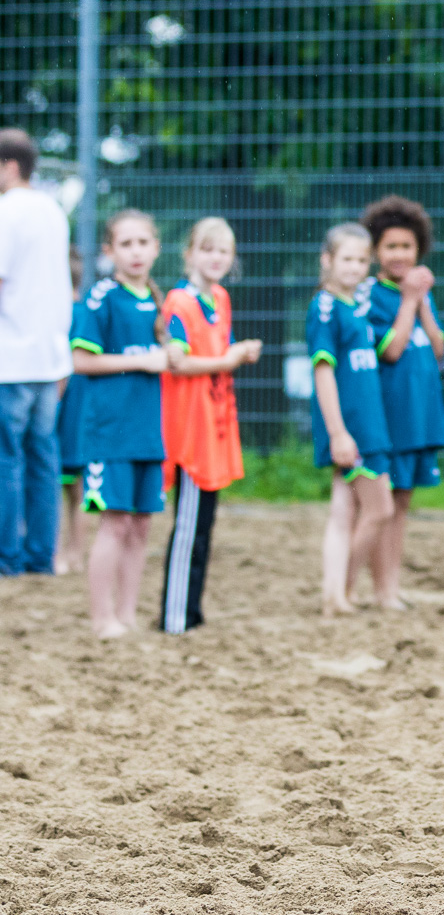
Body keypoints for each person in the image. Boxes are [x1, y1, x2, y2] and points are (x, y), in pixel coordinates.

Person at [158, 217, 262, 633]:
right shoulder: (178, 303)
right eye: (208, 249)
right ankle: (175, 618)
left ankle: (191, 612)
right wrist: (228, 359)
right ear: (189, 254)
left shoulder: (219, 298)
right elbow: (178, 361)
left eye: (224, 250)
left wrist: (234, 354)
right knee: (188, 528)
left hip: (215, 422)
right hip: (189, 429)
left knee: (204, 525)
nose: (216, 257)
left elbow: (218, 350)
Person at [70, 210, 168, 638]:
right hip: (110, 433)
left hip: (149, 432)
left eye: (143, 243)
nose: (136, 252)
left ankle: (127, 615)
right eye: (126, 244)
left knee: (141, 524)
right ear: (109, 251)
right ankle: (100, 618)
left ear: (156, 248)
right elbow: (80, 361)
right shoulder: (101, 297)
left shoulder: (160, 301)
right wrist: (141, 361)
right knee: (114, 522)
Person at [359, 196, 444, 607]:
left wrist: (422, 301)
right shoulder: (373, 296)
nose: (400, 255)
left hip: (420, 416)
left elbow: (438, 346)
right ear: (375, 251)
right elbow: (390, 350)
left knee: (403, 506)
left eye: (407, 247)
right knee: (383, 508)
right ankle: (379, 590)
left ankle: (390, 587)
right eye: (391, 246)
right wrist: (411, 299)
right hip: (389, 419)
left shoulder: (420, 293)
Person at [307, 223, 395, 616]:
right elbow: (323, 372)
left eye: (362, 259)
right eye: (347, 258)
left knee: (344, 513)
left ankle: (335, 596)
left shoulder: (357, 307)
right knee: (380, 510)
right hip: (353, 429)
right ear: (327, 260)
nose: (355, 267)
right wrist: (338, 432)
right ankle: (340, 589)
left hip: (368, 425)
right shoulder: (325, 306)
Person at [0, 128, 73, 576]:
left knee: (7, 457)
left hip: (11, 357)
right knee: (43, 459)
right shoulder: (53, 210)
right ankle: (40, 555)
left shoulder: (8, 211)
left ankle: (6, 557)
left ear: (9, 166)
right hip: (51, 356)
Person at [55, 248, 90, 574]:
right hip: (73, 409)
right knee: (72, 487)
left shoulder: (68, 315)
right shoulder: (80, 312)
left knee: (67, 484)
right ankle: (73, 552)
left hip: (68, 408)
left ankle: (69, 553)